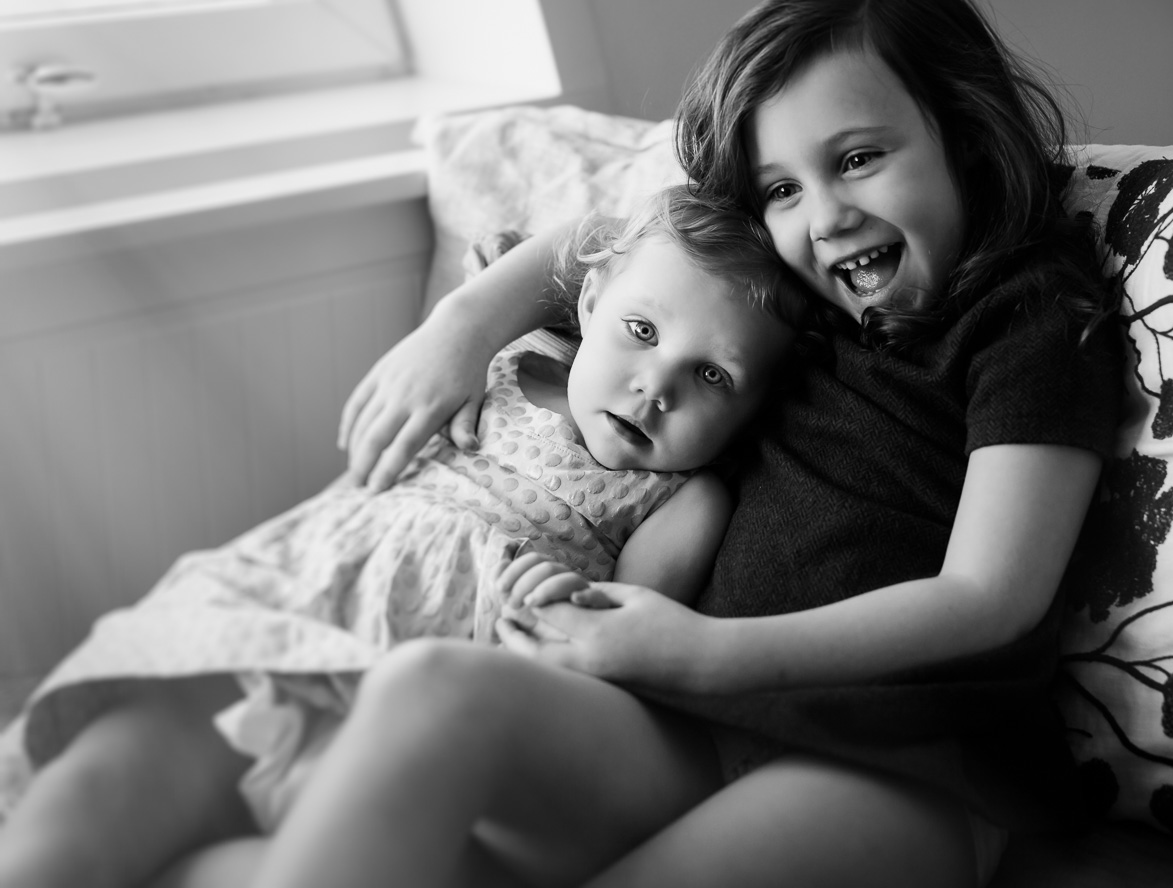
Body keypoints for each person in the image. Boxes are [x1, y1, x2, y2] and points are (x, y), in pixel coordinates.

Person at [230, 0, 1125, 888]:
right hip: (694, 729)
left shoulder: (1030, 313)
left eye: (858, 159)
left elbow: (991, 598)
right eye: (782, 188)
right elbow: (603, 246)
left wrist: (702, 652)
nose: (823, 216)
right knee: (429, 692)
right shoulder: (797, 289)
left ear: (968, 135)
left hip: (895, 767)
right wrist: (460, 325)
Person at [0, 187, 803, 888]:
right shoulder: (499, 357)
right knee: (99, 789)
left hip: (411, 701)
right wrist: (467, 324)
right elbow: (580, 234)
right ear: (591, 303)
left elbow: (627, 636)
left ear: (752, 409)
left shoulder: (686, 497)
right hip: (287, 601)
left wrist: (570, 606)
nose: (655, 386)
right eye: (641, 329)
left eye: (712, 377)